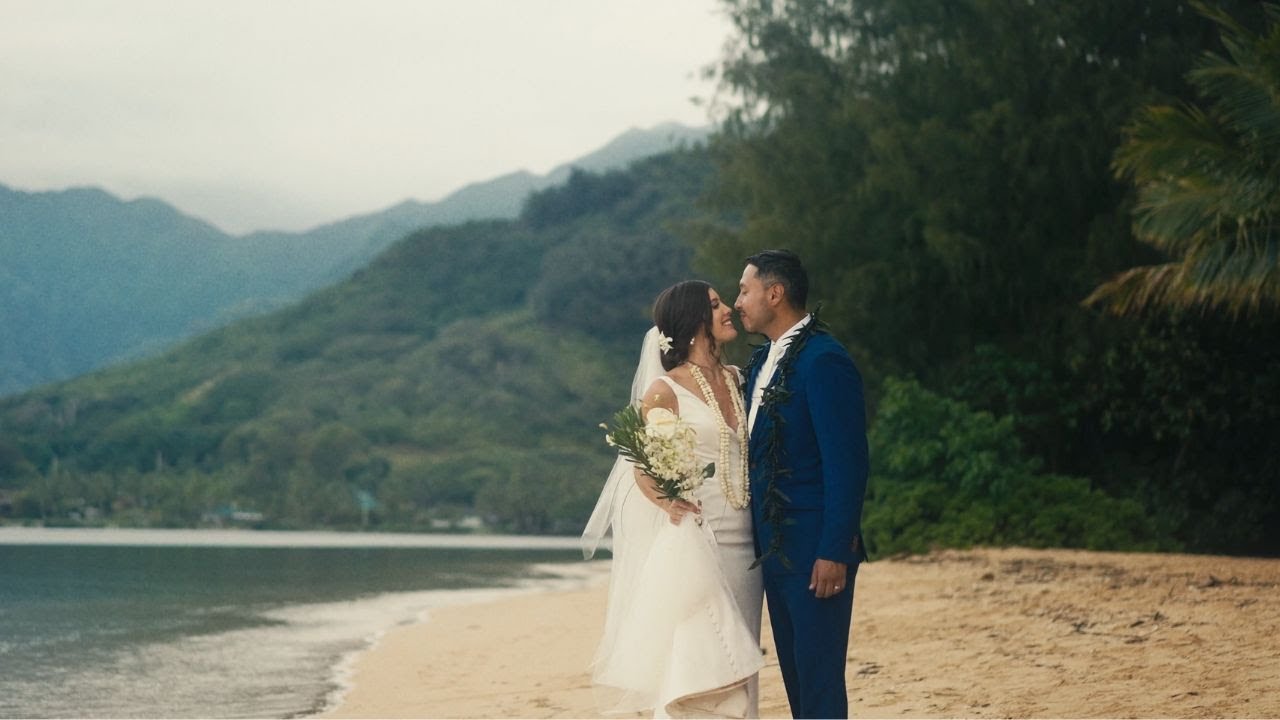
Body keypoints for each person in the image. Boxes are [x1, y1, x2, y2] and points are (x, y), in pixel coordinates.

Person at [583, 280, 764, 718]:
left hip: (748, 540)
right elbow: (642, 467)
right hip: (699, 540)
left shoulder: (739, 379)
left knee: (743, 657)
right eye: (717, 305)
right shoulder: (665, 390)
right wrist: (667, 502)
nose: (728, 311)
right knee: (700, 663)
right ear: (694, 320)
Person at [734, 250, 869, 719]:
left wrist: (836, 549)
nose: (738, 302)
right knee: (795, 677)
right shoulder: (761, 363)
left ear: (776, 293)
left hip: (816, 550)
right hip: (775, 550)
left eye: (745, 290)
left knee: (819, 680)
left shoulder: (824, 360)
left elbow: (847, 462)